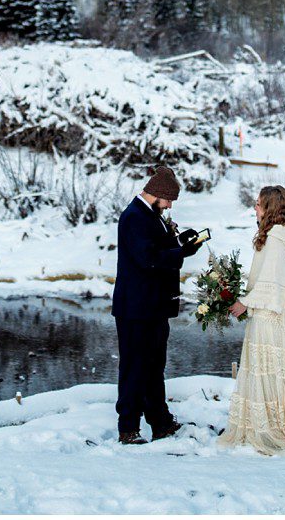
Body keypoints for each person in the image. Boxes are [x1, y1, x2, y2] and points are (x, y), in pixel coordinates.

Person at [218, 185, 285, 454]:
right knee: (269, 373)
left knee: (270, 373)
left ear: (270, 208)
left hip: (270, 319)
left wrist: (244, 303)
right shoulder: (276, 236)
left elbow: (271, 286)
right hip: (266, 315)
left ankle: (273, 427)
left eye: (258, 204)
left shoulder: (277, 240)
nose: (254, 207)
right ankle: (267, 422)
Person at [111, 164, 204, 445]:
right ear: (157, 193)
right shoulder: (134, 217)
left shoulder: (150, 216)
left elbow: (158, 247)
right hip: (136, 309)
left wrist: (181, 242)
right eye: (169, 199)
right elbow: (148, 258)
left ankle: (160, 423)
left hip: (152, 307)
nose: (170, 205)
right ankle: (128, 428)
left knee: (153, 367)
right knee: (134, 368)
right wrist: (181, 252)